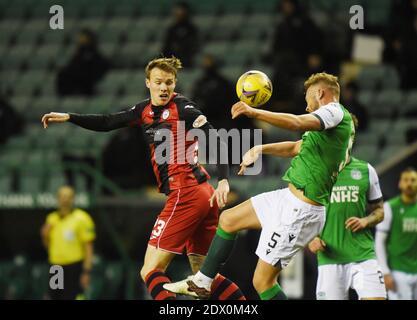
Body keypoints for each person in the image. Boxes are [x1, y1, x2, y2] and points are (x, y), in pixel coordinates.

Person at [41, 57, 245, 301]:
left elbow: (217, 139)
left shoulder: (184, 107)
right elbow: (108, 122)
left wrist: (224, 179)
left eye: (169, 82)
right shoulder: (143, 111)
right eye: (158, 82)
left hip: (187, 193)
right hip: (202, 194)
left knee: (150, 270)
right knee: (202, 278)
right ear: (147, 82)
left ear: (175, 83)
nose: (163, 88)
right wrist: (70, 117)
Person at [165, 72, 355, 300]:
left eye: (307, 98)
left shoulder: (333, 112)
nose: (306, 106)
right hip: (288, 198)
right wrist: (260, 149)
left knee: (262, 282)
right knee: (228, 219)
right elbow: (296, 147)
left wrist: (254, 112)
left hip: (301, 209)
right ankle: (202, 283)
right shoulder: (329, 126)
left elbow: (295, 122)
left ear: (320, 92)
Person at [308, 115, 386, 299]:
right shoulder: (316, 174)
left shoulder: (367, 170)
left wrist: (366, 220)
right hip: (329, 259)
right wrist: (310, 238)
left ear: (351, 135)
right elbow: (303, 214)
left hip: (364, 255)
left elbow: (380, 210)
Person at [40, 186, 95, 300]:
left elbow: (88, 248)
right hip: (56, 267)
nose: (65, 200)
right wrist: (44, 236)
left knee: (72, 296)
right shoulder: (52, 218)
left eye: (68, 197)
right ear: (58, 199)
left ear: (73, 199)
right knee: (54, 296)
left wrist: (86, 272)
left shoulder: (82, 218)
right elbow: (48, 246)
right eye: (62, 196)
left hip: (73, 267)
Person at [375, 167, 417, 300]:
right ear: (400, 183)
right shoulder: (389, 207)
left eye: (413, 180)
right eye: (406, 180)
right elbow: (379, 242)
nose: (409, 183)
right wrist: (385, 272)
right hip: (398, 272)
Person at [56, 28, 109, 96]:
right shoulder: (79, 53)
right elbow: (72, 65)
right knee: (63, 74)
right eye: (80, 37)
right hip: (77, 79)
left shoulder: (93, 53)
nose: (81, 39)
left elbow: (100, 64)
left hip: (87, 81)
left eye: (83, 37)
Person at [162, 2, 199, 68]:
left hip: (186, 59)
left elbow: (194, 45)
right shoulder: (172, 29)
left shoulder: (192, 29)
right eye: (178, 13)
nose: (179, 15)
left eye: (182, 12)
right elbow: (166, 46)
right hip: (172, 58)